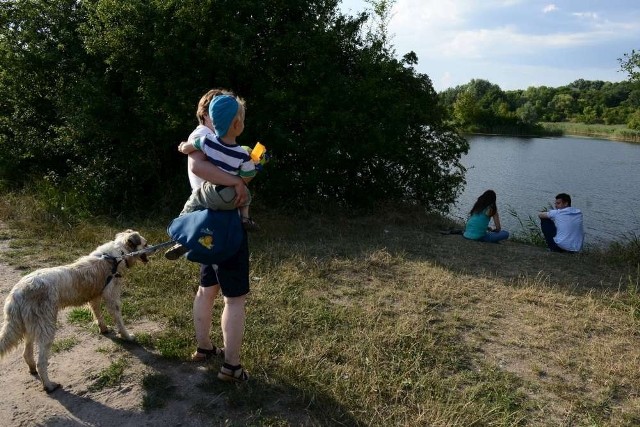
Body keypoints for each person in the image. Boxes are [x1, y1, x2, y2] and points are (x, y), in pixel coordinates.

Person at [175, 89, 252, 382]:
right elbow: (196, 165)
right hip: (225, 227)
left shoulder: (212, 140)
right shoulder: (204, 138)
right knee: (235, 298)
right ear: (208, 114)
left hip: (205, 225)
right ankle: (231, 366)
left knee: (207, 289)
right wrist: (238, 181)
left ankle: (204, 348)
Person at [165, 93, 258, 260]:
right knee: (247, 196)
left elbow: (190, 147)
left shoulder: (207, 140)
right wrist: (251, 168)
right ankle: (246, 218)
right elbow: (248, 175)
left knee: (192, 202)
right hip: (232, 197)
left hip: (212, 193)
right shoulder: (242, 153)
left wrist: (183, 147)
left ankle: (181, 231)